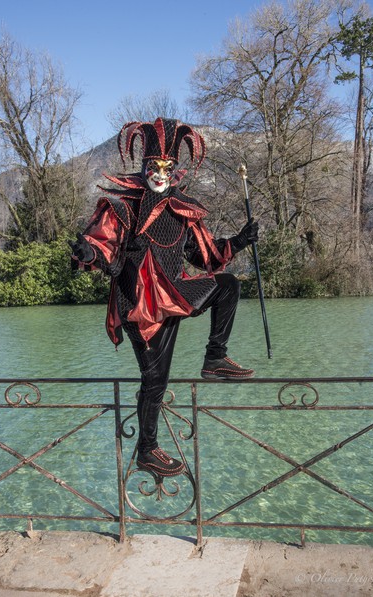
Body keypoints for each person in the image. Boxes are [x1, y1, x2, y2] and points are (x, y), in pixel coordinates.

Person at [69, 117, 258, 478]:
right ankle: (147, 450)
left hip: (172, 294)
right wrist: (89, 254)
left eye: (166, 167)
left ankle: (215, 358)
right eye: (153, 166)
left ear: (175, 170)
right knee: (155, 381)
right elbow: (101, 247)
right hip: (139, 304)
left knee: (228, 285)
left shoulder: (181, 210)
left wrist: (239, 240)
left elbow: (204, 257)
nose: (160, 173)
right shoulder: (124, 208)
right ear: (142, 167)